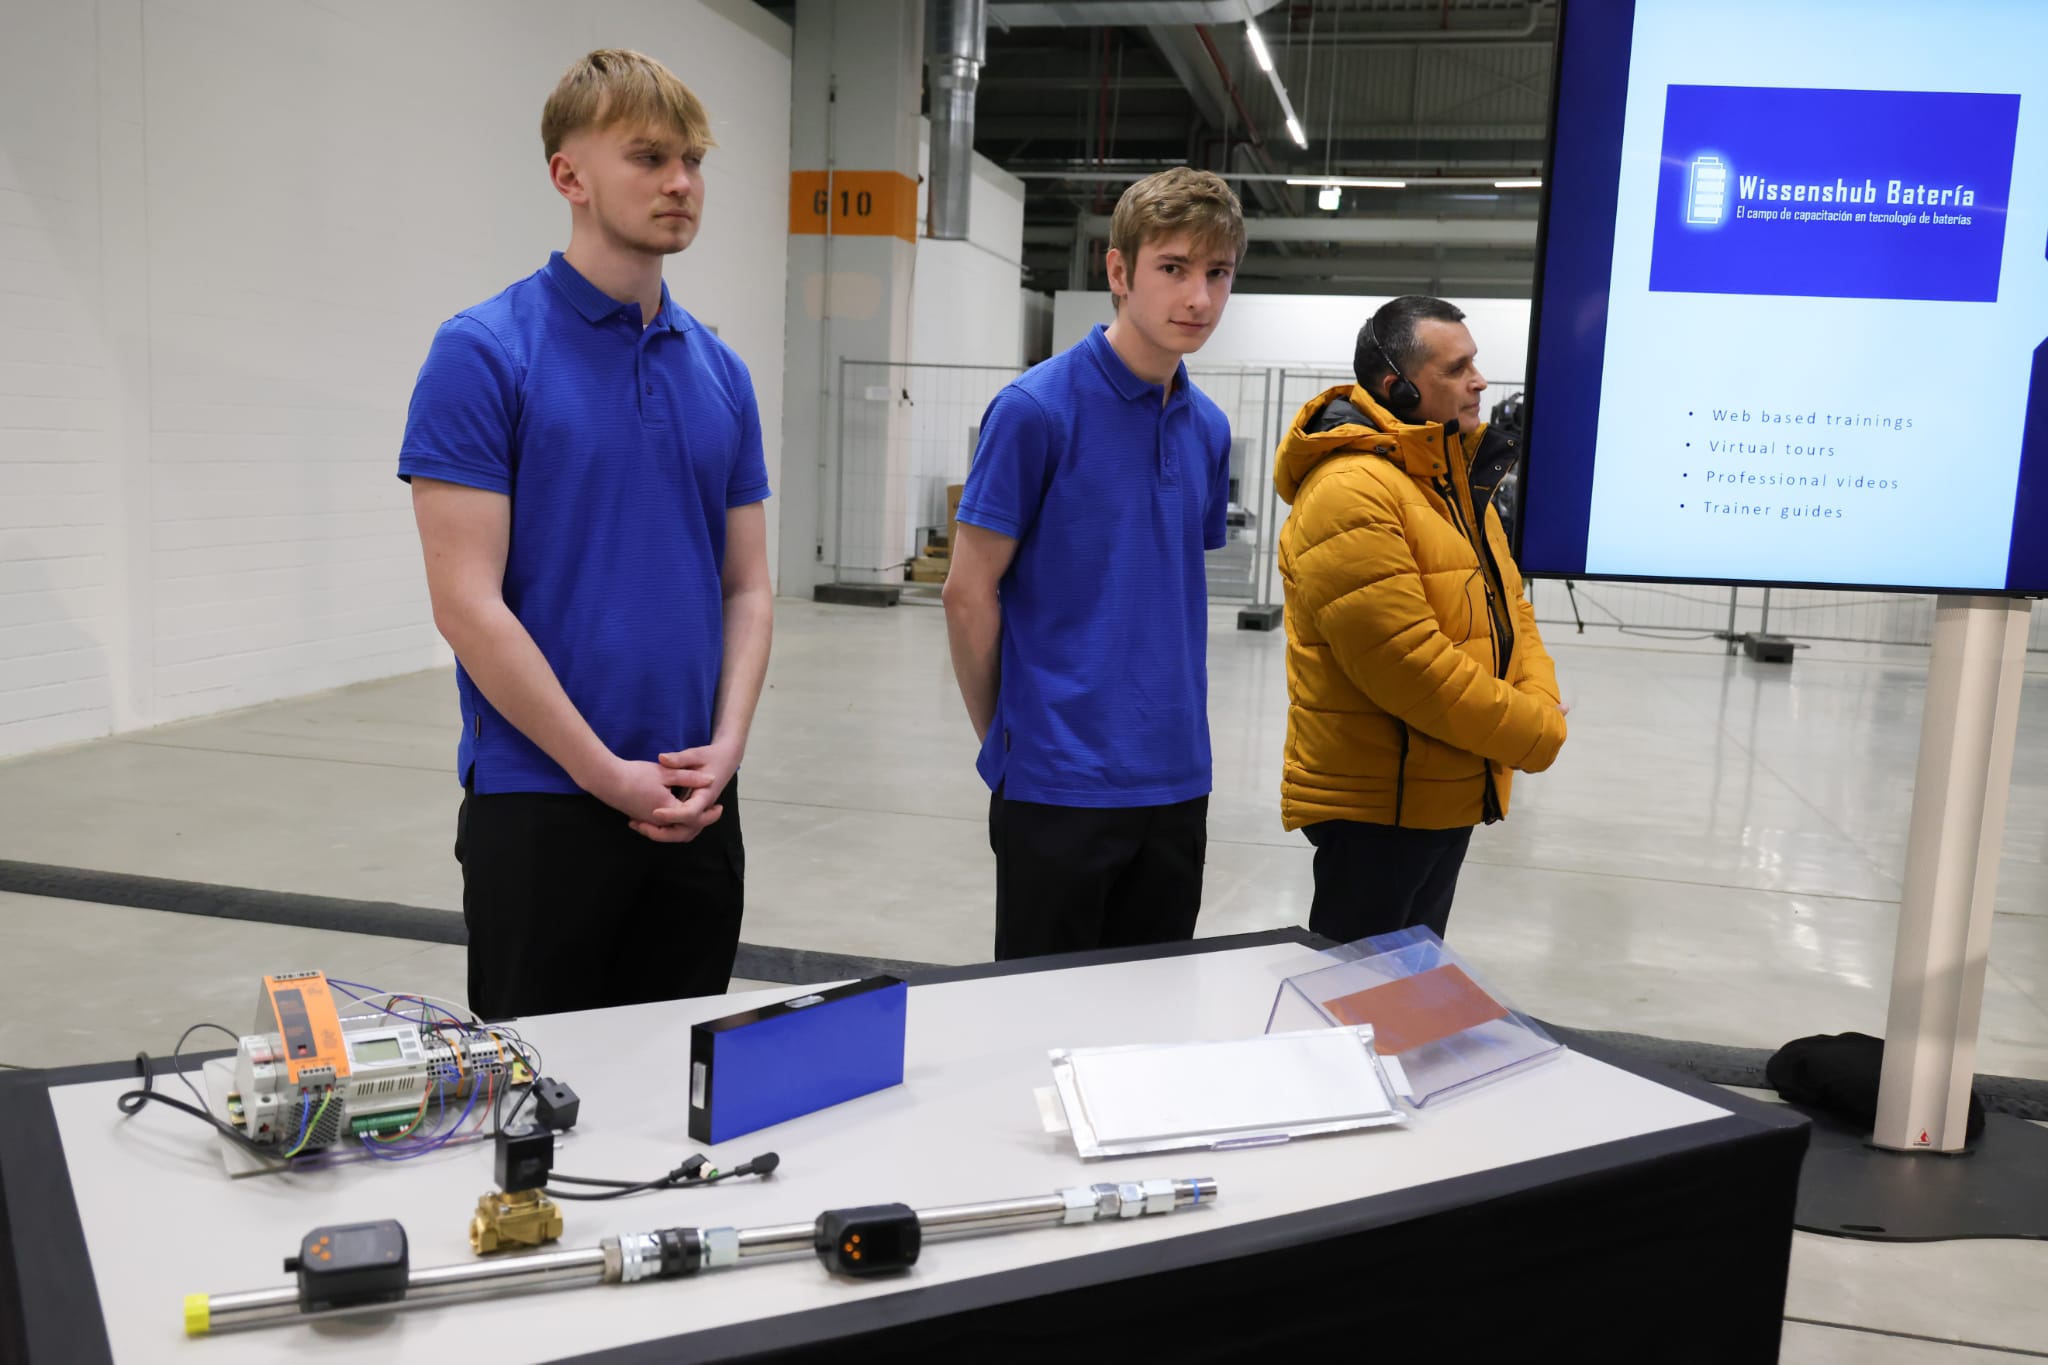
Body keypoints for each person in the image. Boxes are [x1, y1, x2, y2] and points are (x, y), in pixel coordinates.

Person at [398, 50, 773, 1018]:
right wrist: (604, 774)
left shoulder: (721, 373)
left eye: (691, 158)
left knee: (680, 1111)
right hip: (542, 800)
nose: (681, 182)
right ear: (568, 175)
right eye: (648, 157)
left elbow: (746, 586)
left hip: (694, 802)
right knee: (540, 1116)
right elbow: (466, 604)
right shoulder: (483, 352)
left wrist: (725, 745)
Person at [942, 167, 1245, 961]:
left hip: (1177, 784)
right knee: (1039, 1033)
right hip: (1057, 786)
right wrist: (1009, 745)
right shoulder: (1035, 412)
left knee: (1149, 1039)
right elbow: (967, 594)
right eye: (1174, 269)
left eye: (1218, 274)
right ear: (1119, 272)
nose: (1199, 299)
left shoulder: (1207, 428)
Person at [1273, 296, 1566, 945]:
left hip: (1442, 794)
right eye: (1457, 368)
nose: (1480, 382)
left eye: (1476, 364)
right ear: (1398, 387)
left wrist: (1538, 698)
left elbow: (1511, 607)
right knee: (1358, 1004)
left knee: (1408, 995)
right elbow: (1410, 666)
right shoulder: (1351, 491)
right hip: (1381, 808)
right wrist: (1532, 729)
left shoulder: (1449, 483)